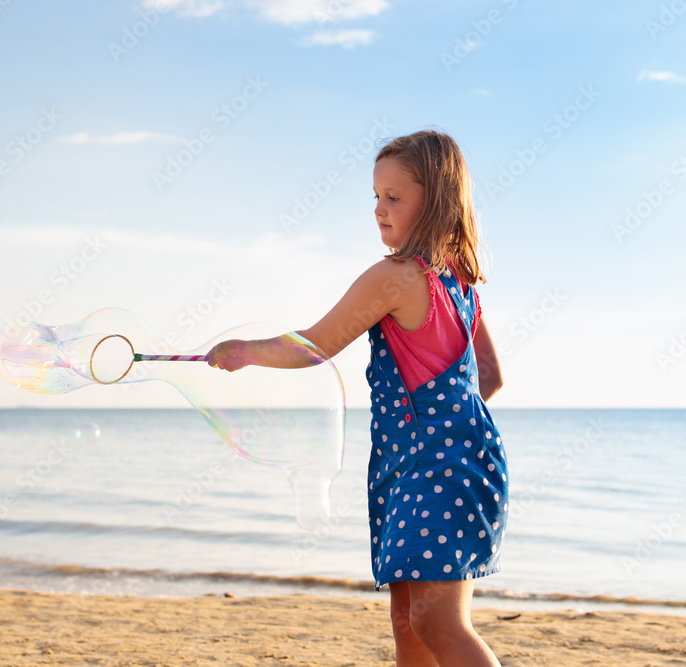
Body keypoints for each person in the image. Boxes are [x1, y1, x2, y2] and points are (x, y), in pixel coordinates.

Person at [206, 128, 507, 667]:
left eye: (394, 198)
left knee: (437, 623)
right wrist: (449, 420)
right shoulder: (458, 281)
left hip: (433, 469)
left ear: (434, 201)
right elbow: (489, 375)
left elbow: (316, 346)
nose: (379, 209)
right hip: (436, 463)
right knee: (407, 625)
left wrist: (243, 350)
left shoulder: (396, 277)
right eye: (376, 196)